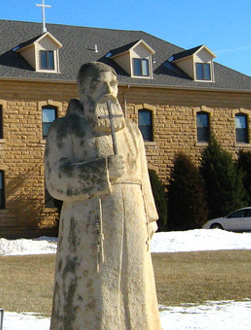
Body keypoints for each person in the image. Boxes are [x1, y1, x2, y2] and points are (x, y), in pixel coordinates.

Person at [45, 62, 161, 329]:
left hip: (131, 223)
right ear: (84, 91)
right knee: (93, 289)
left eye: (114, 84)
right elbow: (56, 181)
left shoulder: (132, 130)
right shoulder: (65, 129)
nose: (109, 91)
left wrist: (149, 216)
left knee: (136, 286)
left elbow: (143, 177)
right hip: (88, 228)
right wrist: (101, 170)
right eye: (100, 85)